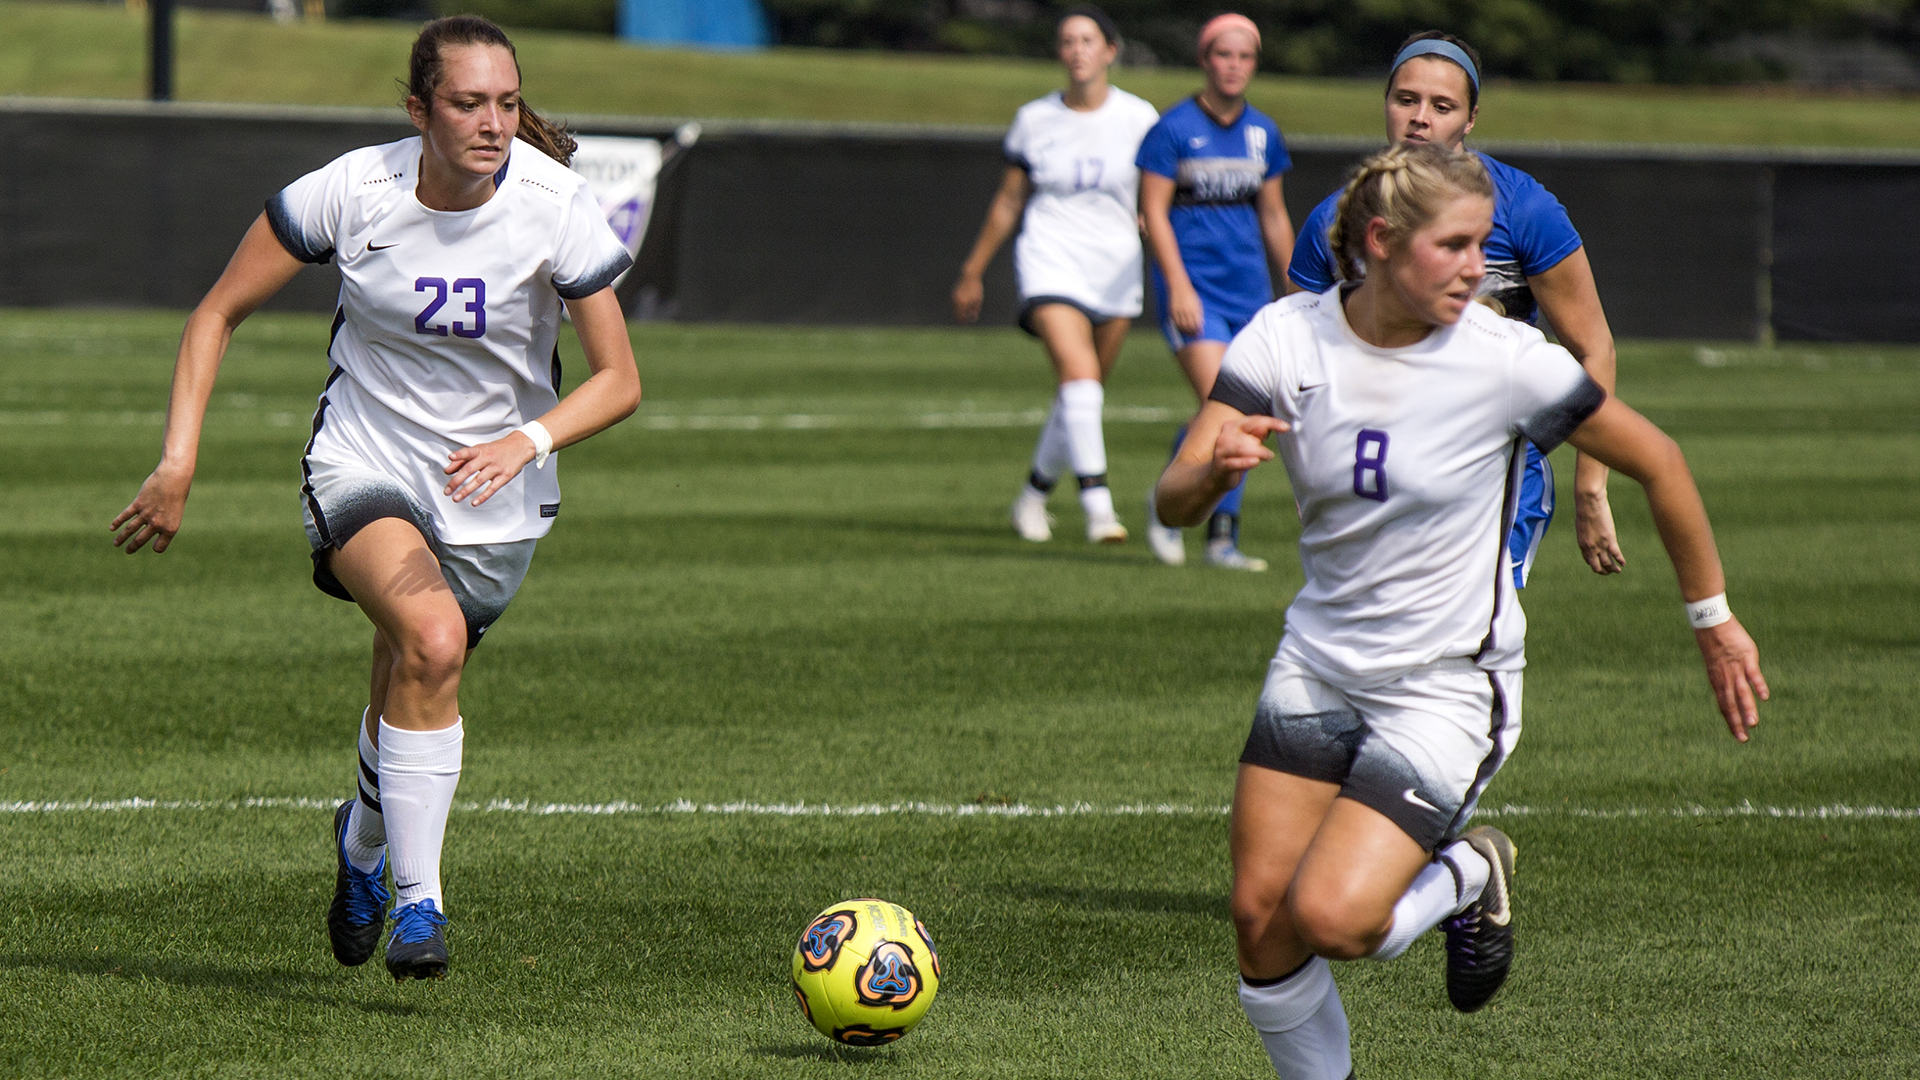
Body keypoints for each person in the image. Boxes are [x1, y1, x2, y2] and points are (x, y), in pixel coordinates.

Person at [1154, 143, 1767, 1079]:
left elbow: (1662, 461)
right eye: (1455, 245)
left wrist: (1713, 621)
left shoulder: (1508, 360)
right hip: (1317, 666)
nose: (1479, 267)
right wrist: (1210, 469)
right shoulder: (1284, 338)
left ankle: (1472, 870)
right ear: (1381, 242)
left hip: (1445, 687)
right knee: (1260, 926)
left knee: (1335, 921)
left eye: (1483, 243)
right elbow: (1172, 500)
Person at [110, 16, 641, 982]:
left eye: (508, 103)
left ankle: (359, 845)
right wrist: (177, 461)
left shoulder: (555, 202)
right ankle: (419, 905)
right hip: (363, 462)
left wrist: (524, 442)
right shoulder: (352, 191)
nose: (492, 124)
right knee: (431, 642)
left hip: (497, 493)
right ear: (417, 110)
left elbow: (619, 380)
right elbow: (214, 313)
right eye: (467, 103)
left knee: (413, 668)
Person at [1288, 31, 1625, 589]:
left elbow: (1593, 348)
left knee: (1463, 643)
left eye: (1441, 106)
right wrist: (1313, 476)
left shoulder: (1524, 209)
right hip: (1374, 472)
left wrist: (1592, 489)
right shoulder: (1336, 218)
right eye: (1406, 99)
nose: (1420, 119)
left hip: (1494, 474)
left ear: (1470, 118)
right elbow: (1297, 362)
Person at [954, 5, 1160, 545]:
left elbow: (1159, 192)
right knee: (1079, 375)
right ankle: (1099, 507)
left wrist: (1149, 218)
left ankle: (1032, 497)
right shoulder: (1035, 119)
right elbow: (1008, 200)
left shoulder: (1140, 118)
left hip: (1116, 263)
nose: (1077, 51)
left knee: (1081, 393)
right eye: (1068, 41)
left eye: (1088, 40)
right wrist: (973, 270)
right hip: (1050, 256)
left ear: (1110, 51)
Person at [1136, 12, 1295, 571]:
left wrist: (1297, 288)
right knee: (1223, 410)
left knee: (1233, 413)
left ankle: (1198, 513)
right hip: (1195, 293)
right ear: (1205, 60)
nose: (1234, 66)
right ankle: (1199, 522)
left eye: (1245, 56)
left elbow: (1273, 215)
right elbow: (1152, 211)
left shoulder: (1263, 133)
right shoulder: (1174, 129)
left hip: (1248, 292)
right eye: (1224, 55)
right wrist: (1177, 284)